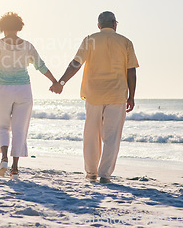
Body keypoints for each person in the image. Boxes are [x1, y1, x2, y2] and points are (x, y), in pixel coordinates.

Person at [0, 12, 59, 178]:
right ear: (19, 27)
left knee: (1, 126)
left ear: (2, 28)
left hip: (3, 89)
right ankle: (15, 168)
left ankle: (4, 157)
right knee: (20, 129)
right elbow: (40, 66)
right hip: (24, 90)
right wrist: (55, 81)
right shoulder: (27, 45)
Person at [51, 11, 139, 183]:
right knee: (111, 136)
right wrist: (132, 96)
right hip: (117, 94)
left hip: (93, 94)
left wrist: (61, 82)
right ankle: (105, 175)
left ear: (99, 26)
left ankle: (91, 173)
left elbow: (75, 63)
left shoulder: (90, 39)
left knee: (91, 134)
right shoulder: (126, 42)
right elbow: (131, 70)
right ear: (115, 24)